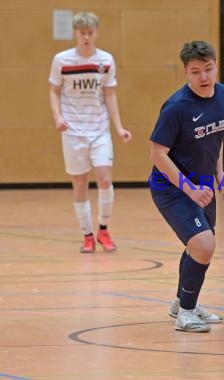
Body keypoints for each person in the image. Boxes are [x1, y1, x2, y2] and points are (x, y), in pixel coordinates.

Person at [149, 41, 224, 333]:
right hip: (171, 187)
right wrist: (190, 189)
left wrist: (220, 173)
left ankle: (183, 303)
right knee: (204, 245)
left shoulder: (223, 94)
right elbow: (158, 154)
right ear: (185, 72)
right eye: (195, 72)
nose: (204, 77)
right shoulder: (177, 107)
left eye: (208, 69)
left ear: (215, 66)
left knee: (199, 247)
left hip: (204, 185)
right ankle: (185, 314)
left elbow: (217, 137)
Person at [49, 12, 132, 254]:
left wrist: (119, 127)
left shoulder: (105, 60)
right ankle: (87, 235)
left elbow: (110, 95)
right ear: (76, 33)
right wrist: (58, 116)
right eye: (81, 33)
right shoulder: (62, 60)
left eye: (89, 33)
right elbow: (53, 91)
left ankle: (103, 229)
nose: (85, 37)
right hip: (73, 131)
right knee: (80, 182)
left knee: (105, 179)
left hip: (99, 130)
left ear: (96, 33)